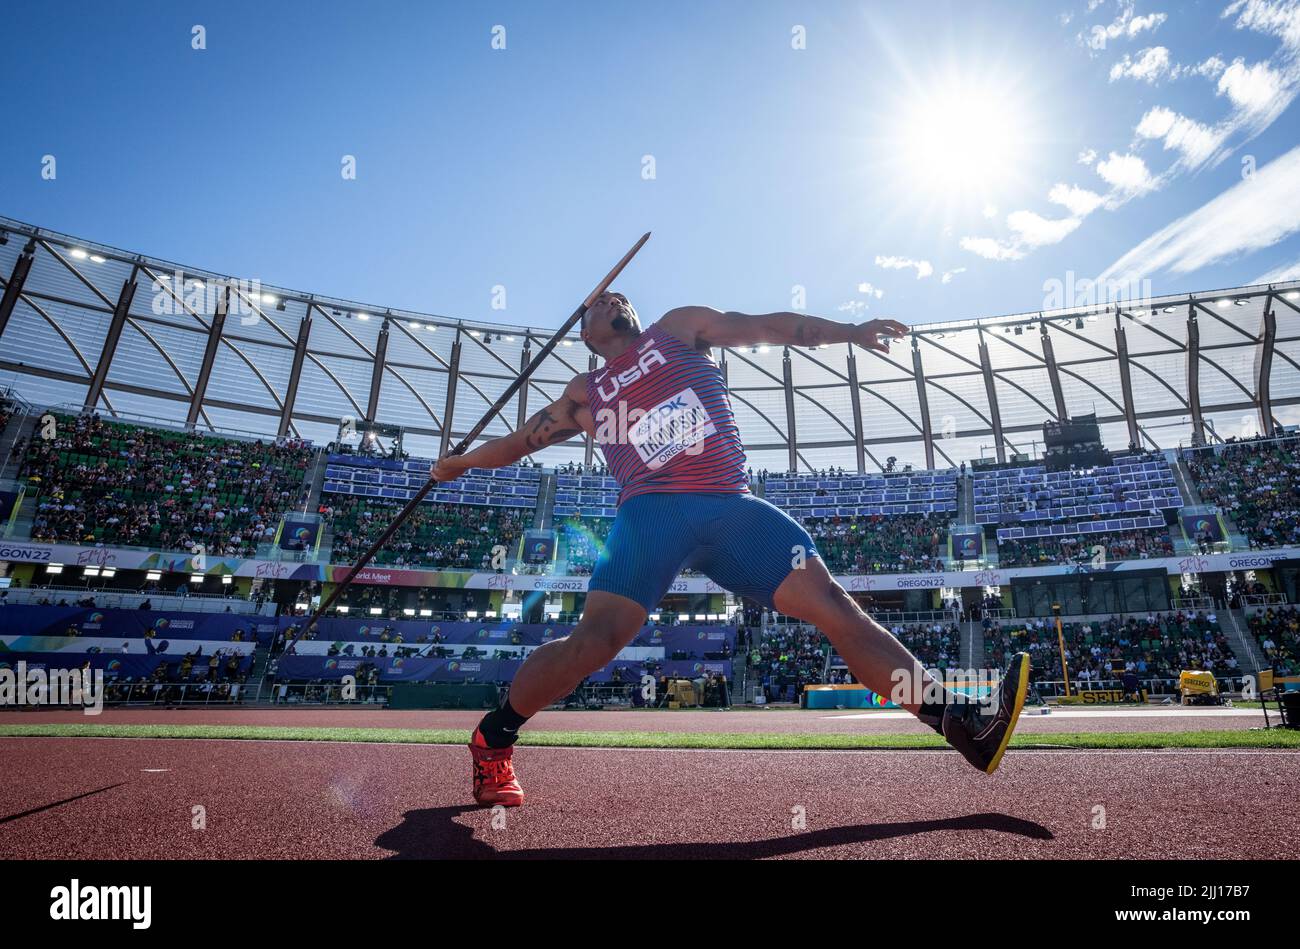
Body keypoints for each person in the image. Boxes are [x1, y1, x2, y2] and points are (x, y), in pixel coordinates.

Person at [432, 291, 1029, 807]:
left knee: (838, 608)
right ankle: (495, 738)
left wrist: (851, 332)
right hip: (650, 514)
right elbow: (517, 444)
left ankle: (963, 724)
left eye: (618, 297)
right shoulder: (585, 393)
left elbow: (770, 326)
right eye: (595, 305)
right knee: (594, 643)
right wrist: (459, 464)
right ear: (584, 335)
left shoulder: (679, 328)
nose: (611, 300)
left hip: (733, 506)